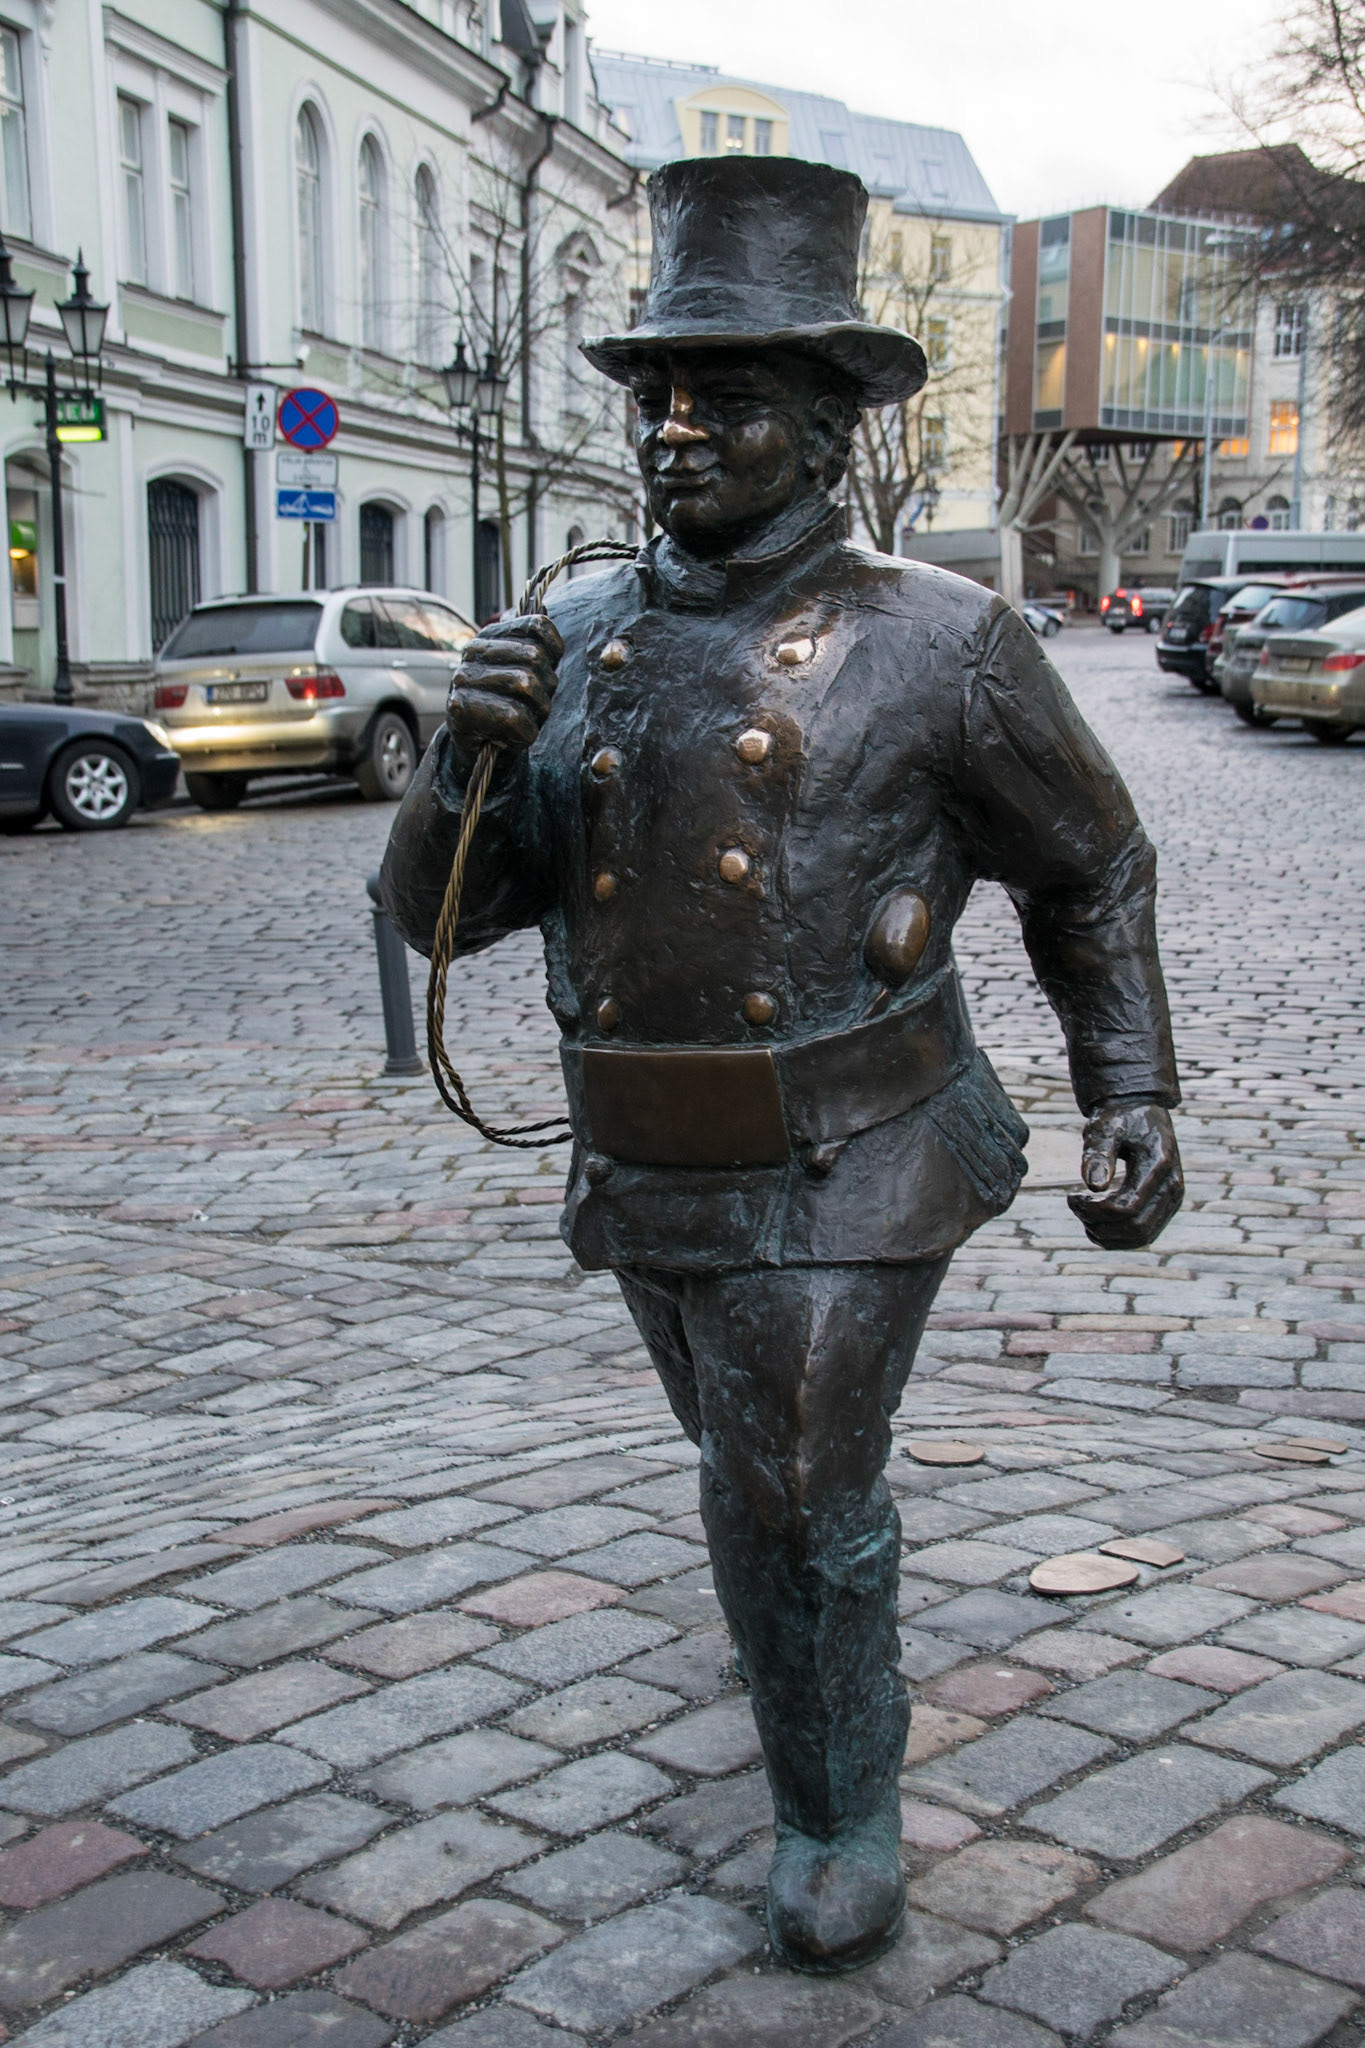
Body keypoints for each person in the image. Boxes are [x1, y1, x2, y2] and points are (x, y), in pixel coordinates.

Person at [380, 155, 1183, 1974]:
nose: (674, 431)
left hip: (858, 1150)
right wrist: (458, 762)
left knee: (799, 1477)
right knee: (747, 1460)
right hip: (646, 1160)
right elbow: (441, 927)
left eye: (725, 399)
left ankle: (835, 1806)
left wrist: (1128, 1091)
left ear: (828, 431)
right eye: (658, 396)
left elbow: (1092, 866)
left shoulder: (945, 642)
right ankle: (791, 1620)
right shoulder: (568, 638)